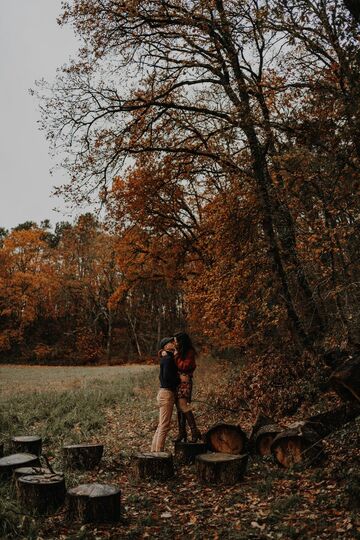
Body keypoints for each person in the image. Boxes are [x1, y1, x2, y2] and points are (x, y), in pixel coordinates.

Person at [151, 336, 179, 452]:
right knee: (164, 426)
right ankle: (158, 453)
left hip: (163, 392)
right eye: (171, 342)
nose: (173, 343)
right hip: (167, 393)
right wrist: (179, 380)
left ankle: (154, 451)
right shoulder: (167, 359)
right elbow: (167, 377)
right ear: (165, 346)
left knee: (161, 425)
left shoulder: (167, 357)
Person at [174, 332, 202, 443]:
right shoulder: (180, 350)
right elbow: (164, 350)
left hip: (185, 382)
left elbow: (184, 366)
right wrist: (161, 352)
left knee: (184, 406)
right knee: (179, 409)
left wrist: (176, 356)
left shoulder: (189, 352)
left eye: (176, 340)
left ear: (182, 341)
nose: (175, 343)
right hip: (177, 382)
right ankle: (182, 433)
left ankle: (194, 431)